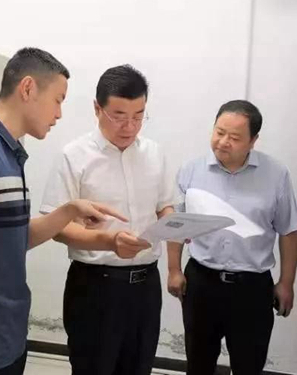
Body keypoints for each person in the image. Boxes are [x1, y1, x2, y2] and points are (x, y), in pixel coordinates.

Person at [0, 48, 144, 375]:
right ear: (27, 88)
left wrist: (69, 210)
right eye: (57, 100)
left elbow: (14, 239)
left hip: (5, 339)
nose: (59, 114)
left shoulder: (8, 152)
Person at [41, 64, 176, 375]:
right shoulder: (73, 156)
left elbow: (164, 207)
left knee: (139, 368)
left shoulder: (154, 154)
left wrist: (177, 225)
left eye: (139, 116)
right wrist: (109, 242)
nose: (129, 126)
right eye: (119, 116)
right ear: (97, 108)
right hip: (95, 287)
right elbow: (57, 227)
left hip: (145, 287)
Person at [167, 100, 297, 375]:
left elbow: (288, 231)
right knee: (198, 363)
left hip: (252, 288)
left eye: (235, 137)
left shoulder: (276, 174)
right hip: (202, 282)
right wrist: (174, 270)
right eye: (219, 132)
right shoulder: (191, 171)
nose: (223, 142)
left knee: (249, 364)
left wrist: (286, 282)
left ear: (253, 140)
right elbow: (176, 225)